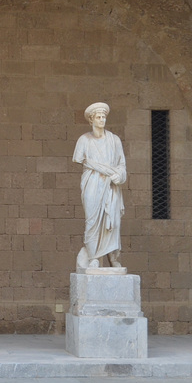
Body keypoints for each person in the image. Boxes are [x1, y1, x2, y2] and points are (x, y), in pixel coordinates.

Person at [72, 102, 127, 269]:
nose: (102, 119)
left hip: (111, 185)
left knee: (114, 223)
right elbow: (80, 159)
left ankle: (113, 258)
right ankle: (94, 257)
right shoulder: (84, 140)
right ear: (91, 120)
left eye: (104, 117)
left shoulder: (114, 140)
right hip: (92, 184)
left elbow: (122, 165)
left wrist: (119, 175)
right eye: (98, 117)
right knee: (92, 221)